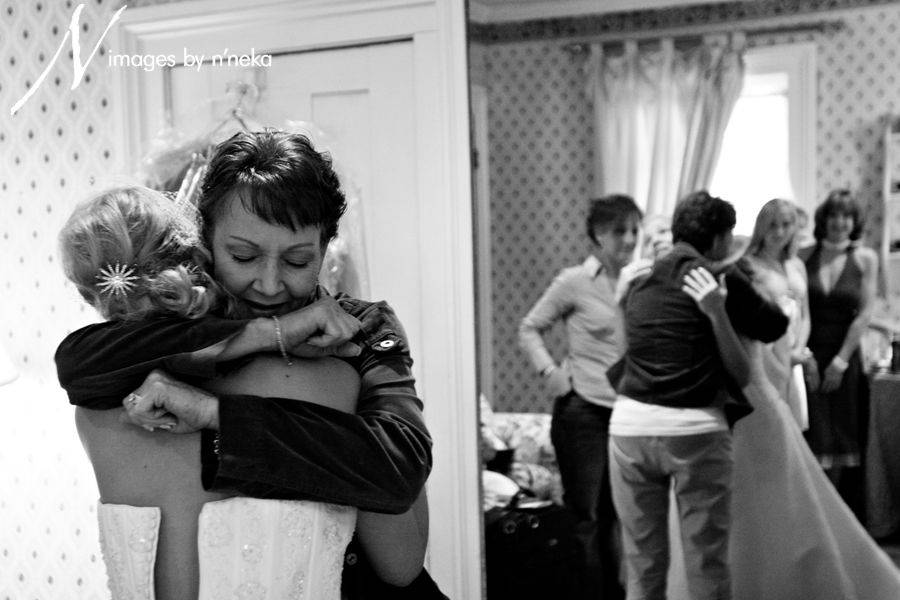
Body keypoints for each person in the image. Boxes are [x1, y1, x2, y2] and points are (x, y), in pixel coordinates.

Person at [56, 133, 444, 599]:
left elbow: (399, 471)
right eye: (243, 256)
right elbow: (77, 362)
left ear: (325, 248)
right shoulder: (167, 340)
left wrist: (216, 414)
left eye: (299, 260)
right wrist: (271, 333)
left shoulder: (359, 328)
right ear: (205, 241)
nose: (269, 283)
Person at [665, 197, 900, 600]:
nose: (781, 232)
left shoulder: (680, 277)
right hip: (754, 375)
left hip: (772, 366)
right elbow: (764, 327)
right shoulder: (734, 273)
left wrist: (799, 350)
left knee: (782, 473)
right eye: (772, 224)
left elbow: (792, 319)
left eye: (788, 224)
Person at [607, 190, 789, 600]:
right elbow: (745, 368)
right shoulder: (719, 279)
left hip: (629, 430)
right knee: (706, 564)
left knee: (642, 567)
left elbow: (623, 362)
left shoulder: (638, 279)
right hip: (695, 432)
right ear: (722, 239)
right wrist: (717, 311)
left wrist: (620, 305)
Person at [518, 193, 642, 600]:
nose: (629, 239)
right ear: (598, 235)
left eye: (634, 230)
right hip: (582, 415)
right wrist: (550, 372)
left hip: (626, 415)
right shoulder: (574, 281)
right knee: (585, 519)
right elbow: (529, 327)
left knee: (617, 518)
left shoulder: (640, 281)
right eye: (620, 230)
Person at [800, 189, 877, 517]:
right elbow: (796, 312)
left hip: (845, 357)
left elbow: (864, 314)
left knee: (843, 437)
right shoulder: (803, 256)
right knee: (814, 435)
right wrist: (807, 358)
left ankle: (839, 518)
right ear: (823, 219)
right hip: (809, 354)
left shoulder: (865, 259)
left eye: (846, 216)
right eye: (833, 215)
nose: (839, 223)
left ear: (854, 221)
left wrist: (841, 361)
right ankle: (813, 514)